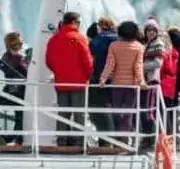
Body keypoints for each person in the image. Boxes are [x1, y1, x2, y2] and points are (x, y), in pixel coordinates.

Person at [45, 12, 93, 147]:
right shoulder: (79, 38)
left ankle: (62, 142)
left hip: (61, 83)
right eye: (78, 22)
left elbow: (48, 61)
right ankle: (79, 143)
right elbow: (88, 62)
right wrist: (87, 76)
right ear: (74, 22)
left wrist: (59, 72)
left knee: (63, 113)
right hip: (78, 84)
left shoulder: (54, 39)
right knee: (79, 114)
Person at [99, 21, 145, 140]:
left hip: (117, 85)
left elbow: (110, 64)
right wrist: (141, 82)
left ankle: (117, 140)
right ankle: (124, 140)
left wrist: (103, 79)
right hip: (132, 86)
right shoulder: (139, 47)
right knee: (128, 114)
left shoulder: (114, 45)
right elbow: (138, 66)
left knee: (117, 112)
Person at [89, 17, 118, 146]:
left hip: (100, 79)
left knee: (100, 111)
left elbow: (91, 58)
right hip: (118, 80)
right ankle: (120, 140)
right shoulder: (119, 39)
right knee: (117, 110)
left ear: (100, 27)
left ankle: (105, 141)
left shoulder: (97, 40)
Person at [140, 18, 167, 149]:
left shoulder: (158, 43)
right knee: (145, 110)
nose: (150, 32)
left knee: (150, 110)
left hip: (152, 80)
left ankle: (151, 139)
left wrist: (140, 66)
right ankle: (147, 138)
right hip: (145, 81)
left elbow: (158, 63)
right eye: (148, 30)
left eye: (152, 30)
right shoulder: (148, 44)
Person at [0, 32, 28, 145]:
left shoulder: (6, 57)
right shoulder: (16, 58)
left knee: (19, 117)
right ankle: (17, 140)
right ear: (13, 43)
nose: (21, 45)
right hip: (18, 92)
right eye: (19, 43)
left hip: (12, 91)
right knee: (20, 117)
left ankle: (16, 139)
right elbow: (25, 73)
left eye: (21, 43)